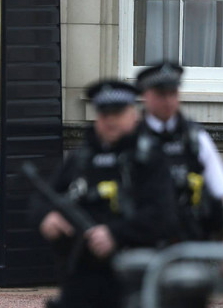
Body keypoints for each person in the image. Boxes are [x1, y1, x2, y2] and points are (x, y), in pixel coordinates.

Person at [35, 80, 175, 308]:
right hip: (81, 275)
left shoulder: (149, 159)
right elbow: (44, 198)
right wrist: (47, 216)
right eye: (104, 113)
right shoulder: (81, 158)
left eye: (117, 113)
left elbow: (163, 215)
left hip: (132, 276)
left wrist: (115, 234)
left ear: (133, 114)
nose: (110, 120)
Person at [136, 62, 223, 283]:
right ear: (146, 95)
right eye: (161, 94)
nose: (168, 100)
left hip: (189, 248)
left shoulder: (195, 138)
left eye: (173, 93)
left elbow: (221, 198)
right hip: (142, 250)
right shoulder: (132, 139)